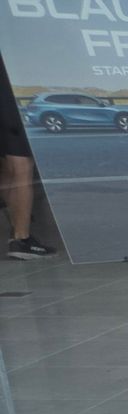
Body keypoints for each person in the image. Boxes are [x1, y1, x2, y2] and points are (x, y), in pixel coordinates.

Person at [1, 55, 56, 260]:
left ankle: (18, 230)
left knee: (8, 166)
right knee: (21, 166)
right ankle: (21, 237)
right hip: (8, 95)